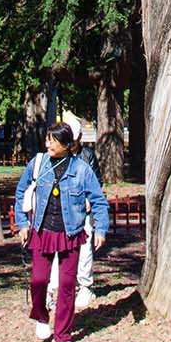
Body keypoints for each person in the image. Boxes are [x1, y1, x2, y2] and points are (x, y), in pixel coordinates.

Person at [15, 121, 110, 342]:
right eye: (47, 139)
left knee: (67, 286)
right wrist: (23, 224)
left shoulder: (81, 169)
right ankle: (40, 317)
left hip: (71, 233)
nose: (48, 144)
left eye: (53, 140)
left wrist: (100, 229)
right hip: (42, 232)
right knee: (38, 281)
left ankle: (63, 335)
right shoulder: (38, 164)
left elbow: (98, 200)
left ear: (67, 145)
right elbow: (20, 193)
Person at [47, 111, 99, 313]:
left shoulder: (86, 156)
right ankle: (50, 290)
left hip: (81, 212)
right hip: (57, 213)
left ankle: (85, 286)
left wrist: (88, 200)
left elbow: (95, 181)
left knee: (84, 248)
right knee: (53, 251)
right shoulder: (51, 159)